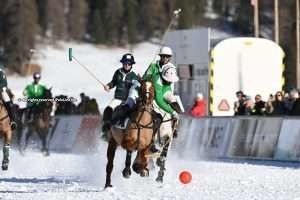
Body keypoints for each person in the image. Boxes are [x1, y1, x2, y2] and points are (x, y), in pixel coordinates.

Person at [101, 53, 138, 134]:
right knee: (108, 109)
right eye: (125, 63)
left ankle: (120, 126)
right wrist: (108, 86)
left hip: (127, 100)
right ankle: (106, 127)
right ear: (122, 63)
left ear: (132, 64)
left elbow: (136, 88)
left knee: (122, 113)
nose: (127, 65)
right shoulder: (118, 72)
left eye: (129, 63)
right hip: (117, 98)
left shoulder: (133, 76)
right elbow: (113, 82)